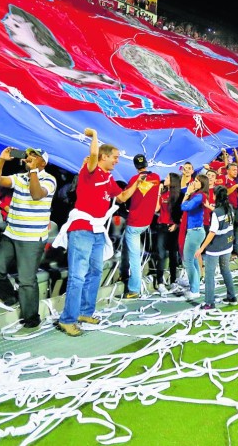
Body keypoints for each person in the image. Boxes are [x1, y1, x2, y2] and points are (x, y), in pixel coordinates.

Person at [54, 129, 146, 337]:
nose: (116, 161)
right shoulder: (90, 170)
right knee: (78, 276)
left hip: (97, 231)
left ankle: (85, 312)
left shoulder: (108, 178)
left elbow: (121, 198)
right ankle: (66, 319)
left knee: (95, 272)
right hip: (81, 229)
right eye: (114, 158)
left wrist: (136, 185)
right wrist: (95, 135)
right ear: (104, 156)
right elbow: (93, 155)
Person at [0, 147, 56, 331]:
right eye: (29, 155)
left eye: (35, 156)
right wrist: (1, 160)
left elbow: (36, 194)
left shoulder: (49, 179)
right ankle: (13, 299)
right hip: (12, 233)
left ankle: (31, 318)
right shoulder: (20, 177)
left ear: (44, 162)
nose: (30, 158)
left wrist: (33, 171)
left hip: (32, 238)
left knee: (26, 280)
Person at [2, 5, 119, 86]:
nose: (7, 23)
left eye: (17, 23)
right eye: (8, 21)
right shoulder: (14, 59)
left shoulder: (93, 79)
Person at [118, 154, 161, 298]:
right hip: (146, 221)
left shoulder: (133, 179)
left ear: (135, 166)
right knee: (131, 252)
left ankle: (134, 288)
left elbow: (124, 197)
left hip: (135, 222)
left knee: (134, 257)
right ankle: (125, 276)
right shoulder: (156, 177)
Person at [196, 185, 238, 310]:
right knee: (226, 270)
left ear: (215, 196)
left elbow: (212, 232)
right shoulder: (229, 208)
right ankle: (232, 297)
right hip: (228, 244)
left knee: (209, 274)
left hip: (216, 247)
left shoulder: (216, 213)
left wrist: (202, 248)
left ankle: (209, 302)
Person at [180, 174, 212, 300]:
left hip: (194, 232)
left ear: (202, 184)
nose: (194, 182)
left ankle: (194, 290)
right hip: (196, 231)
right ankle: (196, 287)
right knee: (193, 260)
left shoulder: (199, 196)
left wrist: (187, 193)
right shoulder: (199, 195)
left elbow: (184, 207)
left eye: (197, 181)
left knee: (188, 261)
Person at [154, 172, 180, 294]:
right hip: (162, 226)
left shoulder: (179, 195)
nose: (165, 179)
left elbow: (181, 213)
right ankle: (160, 282)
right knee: (161, 254)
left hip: (173, 227)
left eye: (168, 178)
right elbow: (156, 209)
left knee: (173, 255)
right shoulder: (163, 193)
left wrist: (176, 224)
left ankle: (174, 280)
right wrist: (159, 191)